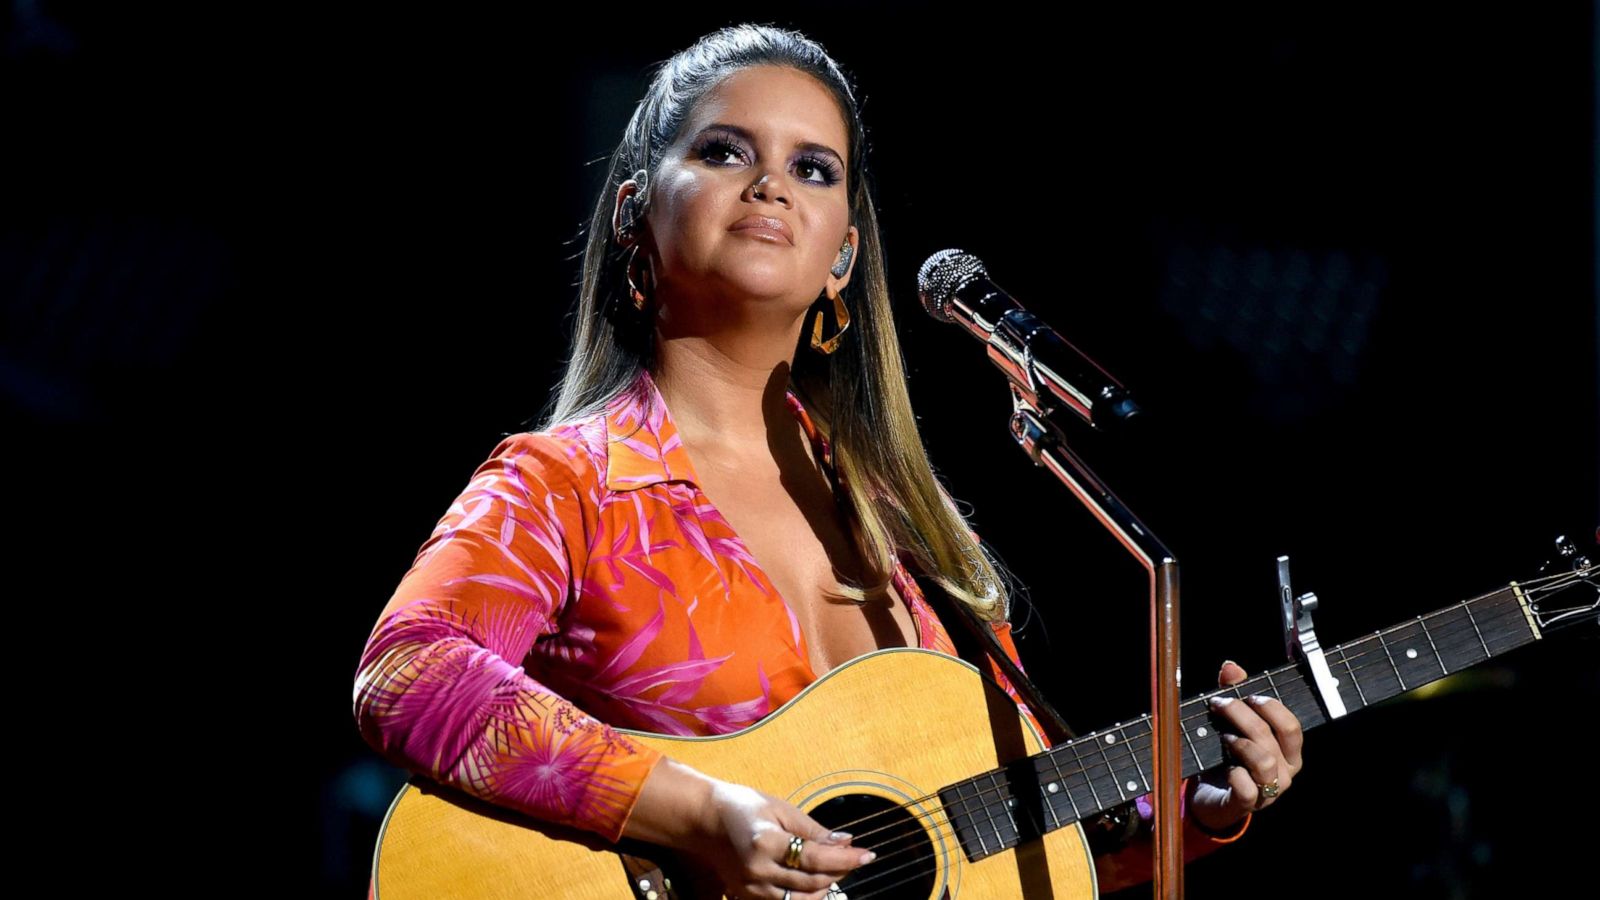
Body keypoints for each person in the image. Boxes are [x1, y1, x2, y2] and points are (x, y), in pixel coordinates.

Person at [351, 23, 1304, 900]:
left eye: (813, 168)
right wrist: (699, 814)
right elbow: (407, 674)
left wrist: (1195, 811)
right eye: (725, 152)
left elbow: (1016, 839)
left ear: (843, 257)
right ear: (634, 214)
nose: (770, 185)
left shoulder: (905, 528)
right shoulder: (567, 484)